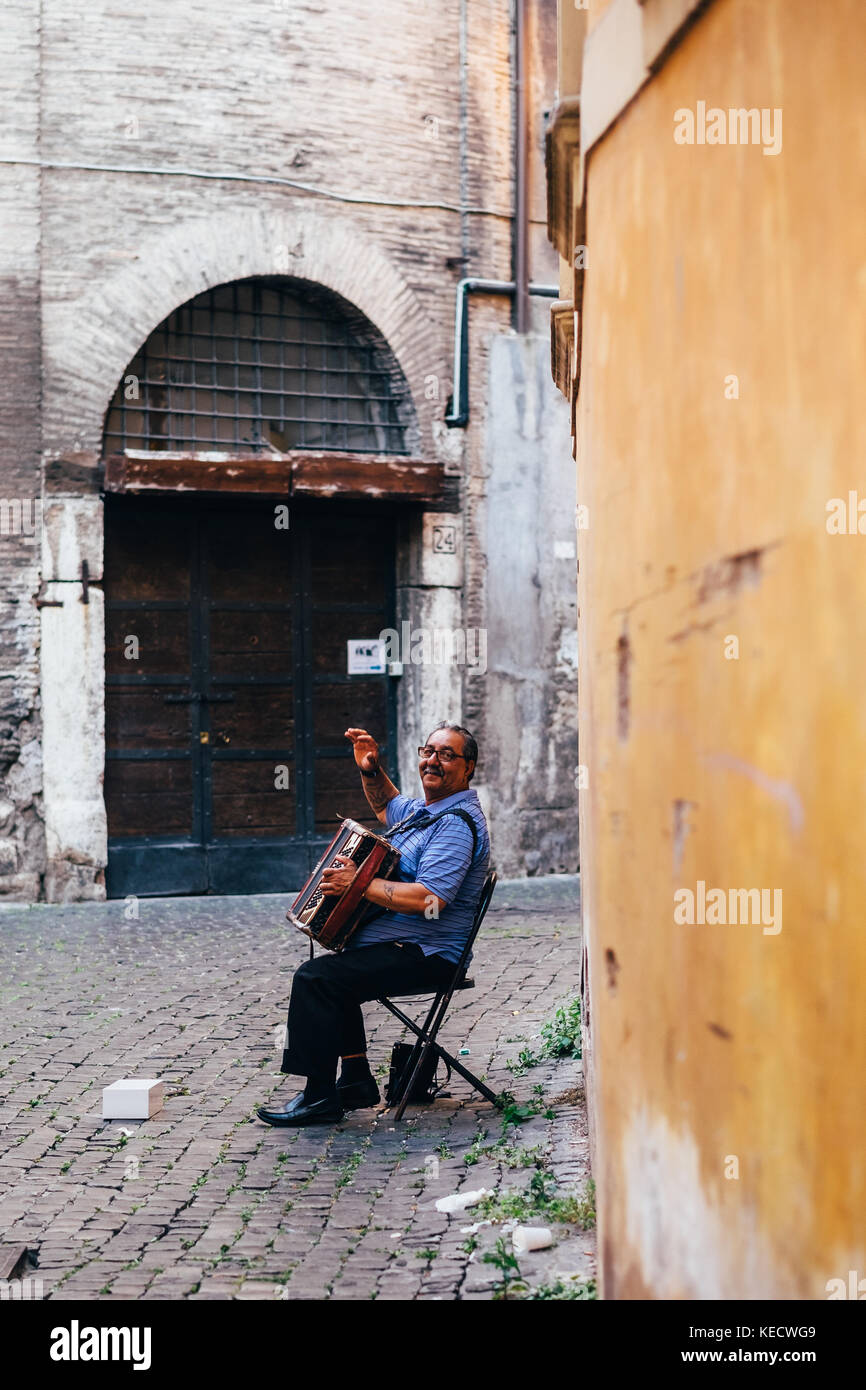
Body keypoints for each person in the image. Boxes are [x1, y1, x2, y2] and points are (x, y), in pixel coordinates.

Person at [256, 721, 490, 1127]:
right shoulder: (426, 811)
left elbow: (430, 898)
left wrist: (359, 884)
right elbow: (385, 805)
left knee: (318, 979)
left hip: (430, 955)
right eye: (428, 751)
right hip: (408, 948)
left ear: (468, 768)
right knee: (339, 963)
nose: (433, 761)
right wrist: (369, 768)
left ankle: (318, 1097)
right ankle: (355, 1081)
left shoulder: (455, 825)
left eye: (447, 755)